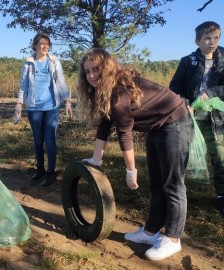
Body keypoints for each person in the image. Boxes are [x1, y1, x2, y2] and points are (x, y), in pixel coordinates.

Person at [78, 48, 193, 261]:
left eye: (96, 70)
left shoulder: (118, 92)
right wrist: (96, 158)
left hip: (175, 122)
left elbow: (124, 131)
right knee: (157, 184)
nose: (91, 76)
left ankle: (173, 239)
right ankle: (151, 232)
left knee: (173, 184)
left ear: (107, 68)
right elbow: (105, 122)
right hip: (156, 127)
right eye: (87, 72)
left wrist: (131, 170)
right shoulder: (105, 89)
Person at [169, 21, 224, 216]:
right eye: (207, 38)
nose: (212, 42)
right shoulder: (188, 61)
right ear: (197, 41)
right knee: (181, 155)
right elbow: (174, 87)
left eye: (216, 37)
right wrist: (182, 100)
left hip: (215, 117)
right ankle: (177, 195)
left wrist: (211, 92)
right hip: (189, 115)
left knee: (219, 156)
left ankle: (222, 196)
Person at [14, 33, 73, 187]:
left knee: (50, 140)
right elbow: (23, 85)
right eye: (42, 43)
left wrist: (67, 101)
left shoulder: (54, 62)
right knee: (38, 141)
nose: (45, 46)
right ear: (35, 46)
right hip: (34, 108)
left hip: (52, 107)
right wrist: (19, 104)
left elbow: (61, 82)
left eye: (47, 43)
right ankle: (40, 169)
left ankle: (51, 172)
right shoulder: (28, 63)